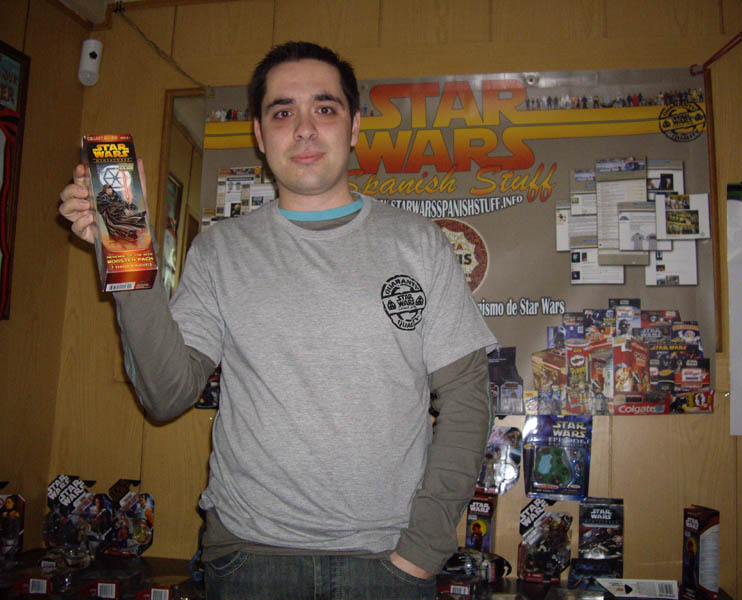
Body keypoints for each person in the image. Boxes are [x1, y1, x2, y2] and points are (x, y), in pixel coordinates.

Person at [59, 41, 496, 599]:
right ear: (260, 136)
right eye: (283, 112)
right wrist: (128, 257)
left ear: (354, 126)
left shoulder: (419, 244)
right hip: (249, 559)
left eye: (325, 108)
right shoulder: (219, 252)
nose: (305, 129)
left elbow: (467, 399)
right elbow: (166, 395)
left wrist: (424, 549)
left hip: (390, 561)